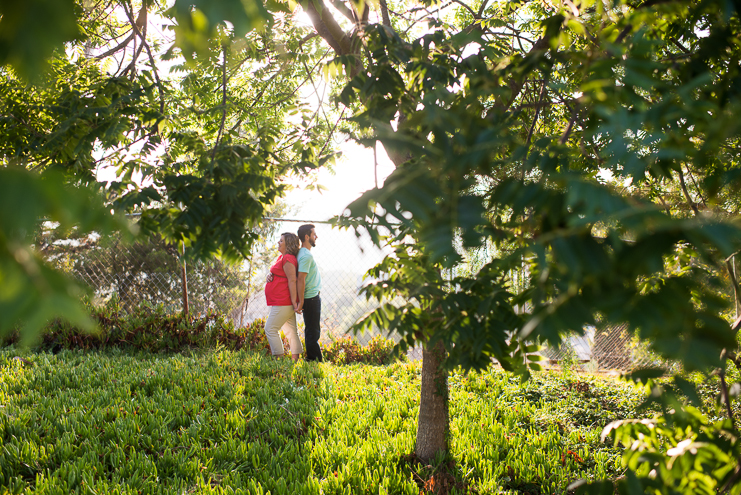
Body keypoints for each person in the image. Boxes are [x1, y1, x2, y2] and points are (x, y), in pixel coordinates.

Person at [264, 232, 302, 361]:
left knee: (270, 329)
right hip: (283, 301)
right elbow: (279, 273)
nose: (278, 242)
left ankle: (278, 360)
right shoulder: (282, 257)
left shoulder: (288, 259)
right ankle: (295, 361)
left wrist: (294, 302)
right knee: (291, 331)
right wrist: (269, 276)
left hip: (283, 301)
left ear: (288, 244)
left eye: (281, 241)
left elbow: (292, 280)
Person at [296, 223, 323, 361]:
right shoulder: (306, 256)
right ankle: (315, 359)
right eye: (314, 234)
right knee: (313, 331)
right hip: (311, 298)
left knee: (311, 330)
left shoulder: (303, 253)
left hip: (310, 297)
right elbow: (301, 279)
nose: (316, 236)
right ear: (307, 237)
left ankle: (312, 358)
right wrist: (301, 302)